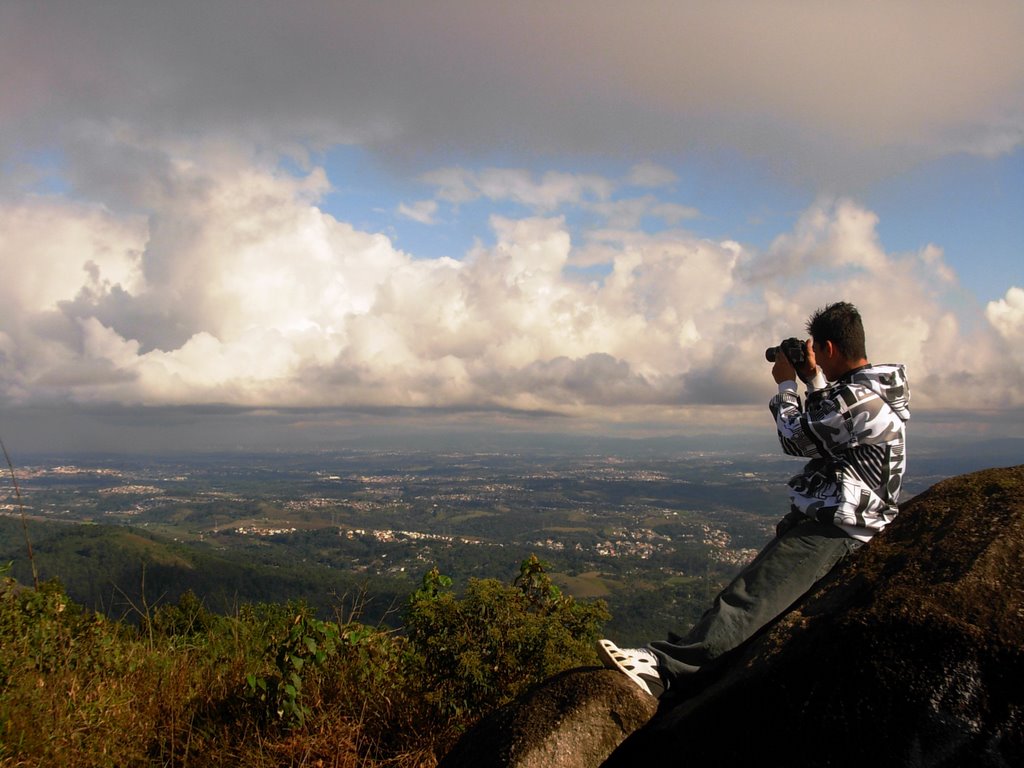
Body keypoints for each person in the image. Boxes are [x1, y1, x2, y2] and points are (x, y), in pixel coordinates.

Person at [597, 301, 910, 700]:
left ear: (829, 348)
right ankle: (689, 664)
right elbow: (829, 437)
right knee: (750, 593)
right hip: (838, 516)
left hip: (841, 527)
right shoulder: (867, 393)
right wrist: (812, 380)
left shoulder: (861, 400)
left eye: (817, 352)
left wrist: (784, 385)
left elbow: (796, 438)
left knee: (746, 600)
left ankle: (663, 671)